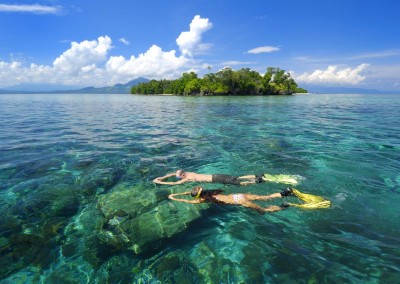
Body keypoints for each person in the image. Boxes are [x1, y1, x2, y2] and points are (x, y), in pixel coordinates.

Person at [168, 186, 331, 214]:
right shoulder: (214, 192)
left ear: (198, 197)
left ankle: (286, 205)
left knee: (263, 211)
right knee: (266, 197)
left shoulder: (204, 200)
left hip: (240, 202)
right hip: (240, 195)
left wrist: (174, 196)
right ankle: (285, 193)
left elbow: (188, 202)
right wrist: (187, 191)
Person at [153, 169, 298, 185]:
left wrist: (160, 182)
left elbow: (175, 184)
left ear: (182, 176)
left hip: (217, 180)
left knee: (239, 183)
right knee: (237, 177)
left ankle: (258, 181)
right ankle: (256, 175)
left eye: (180, 177)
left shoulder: (187, 178)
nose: (180, 178)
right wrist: (164, 176)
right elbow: (174, 173)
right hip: (217, 175)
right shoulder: (189, 173)